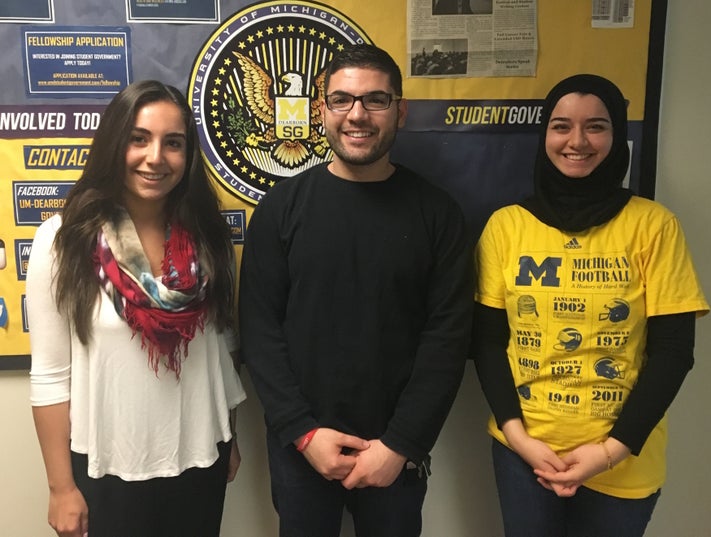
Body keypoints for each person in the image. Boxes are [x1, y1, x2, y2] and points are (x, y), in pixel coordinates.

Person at [239, 44, 473, 537]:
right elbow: (259, 331)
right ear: (321, 110)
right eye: (342, 100)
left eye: (375, 100)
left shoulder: (439, 215)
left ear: (400, 111)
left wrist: (402, 445)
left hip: (395, 453)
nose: (357, 115)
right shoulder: (281, 210)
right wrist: (303, 432)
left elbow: (447, 340)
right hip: (301, 447)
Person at [472, 73, 709, 537]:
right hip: (525, 455)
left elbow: (673, 353)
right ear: (544, 136)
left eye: (595, 126)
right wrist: (520, 440)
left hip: (622, 460)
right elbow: (486, 343)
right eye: (561, 126)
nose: (576, 141)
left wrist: (609, 453)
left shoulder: (654, 226)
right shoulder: (505, 227)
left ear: (617, 135)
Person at [26, 80, 246, 537]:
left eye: (174, 143)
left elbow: (222, 349)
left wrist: (231, 433)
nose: (155, 157)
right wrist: (60, 487)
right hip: (107, 468)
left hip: (201, 458)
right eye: (139, 138)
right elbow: (50, 375)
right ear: (114, 144)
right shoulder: (64, 240)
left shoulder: (207, 239)